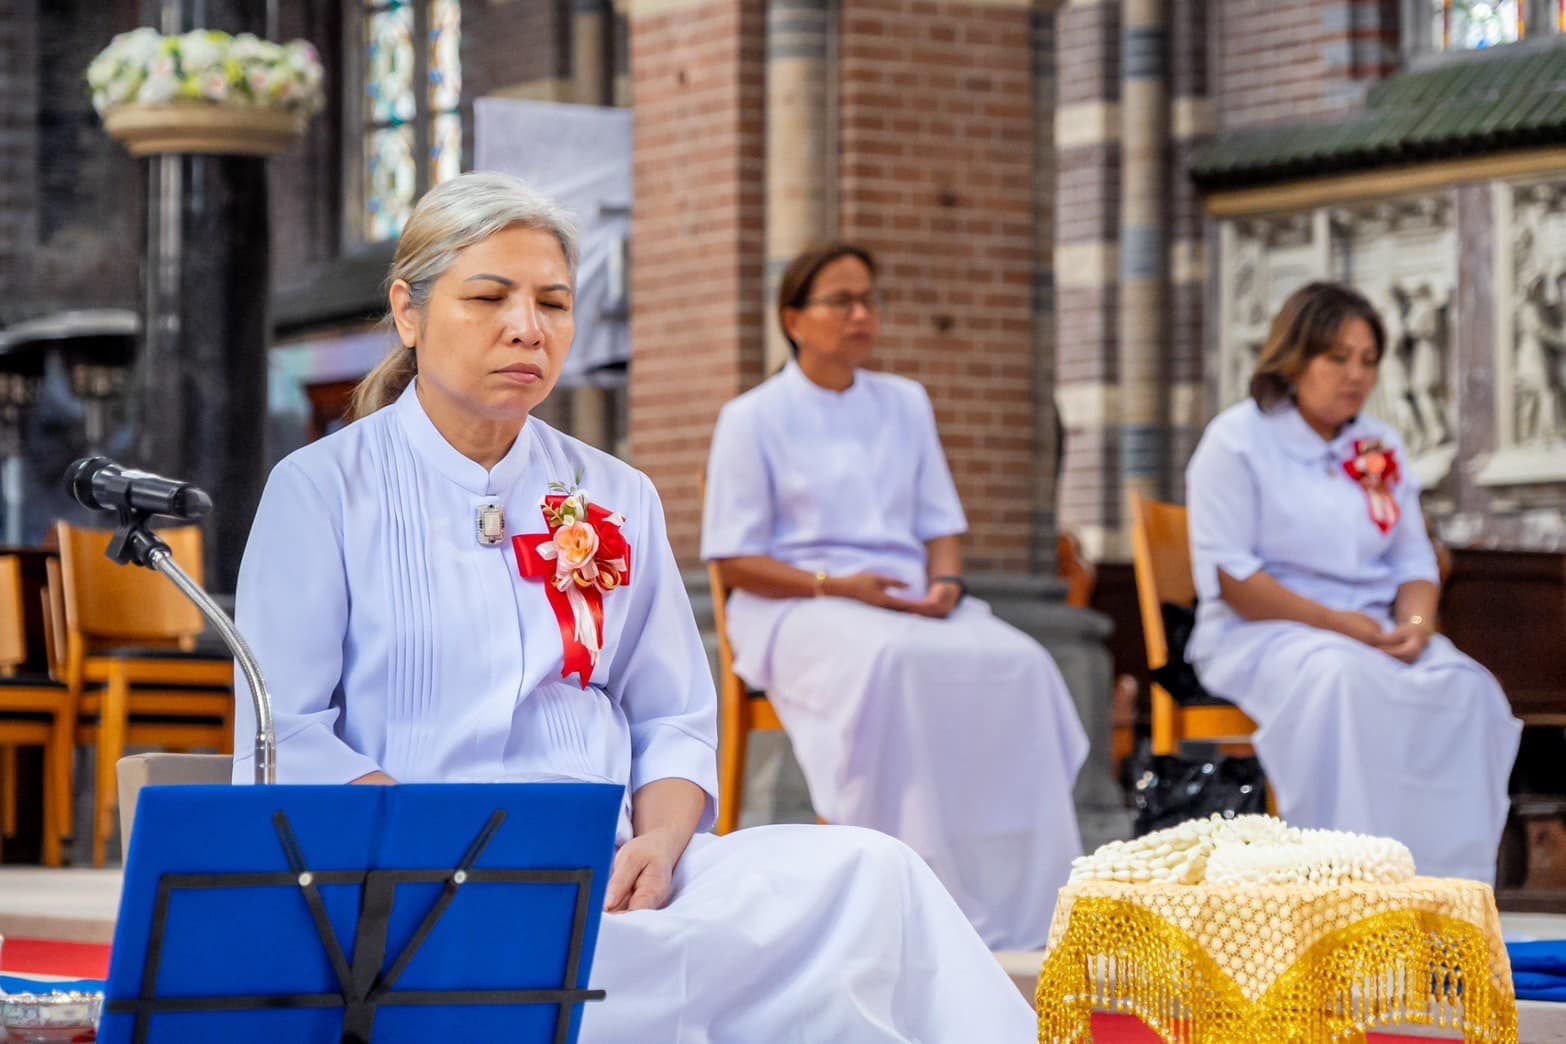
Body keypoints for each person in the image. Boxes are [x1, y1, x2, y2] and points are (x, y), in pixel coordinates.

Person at [230, 173, 1035, 1042]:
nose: (527, 328)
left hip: (617, 871)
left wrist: (659, 847)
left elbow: (675, 714)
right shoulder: (321, 491)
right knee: (556, 975)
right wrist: (446, 845)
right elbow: (289, 735)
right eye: (490, 297)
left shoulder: (615, 492)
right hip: (419, 879)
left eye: (554, 302)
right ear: (408, 310)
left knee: (876, 876)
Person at [700, 243, 1088, 950]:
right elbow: (735, 558)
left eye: (870, 300)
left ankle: (1032, 907)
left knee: (1020, 662)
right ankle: (902, 898)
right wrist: (838, 586)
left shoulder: (905, 403)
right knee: (896, 666)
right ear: (793, 318)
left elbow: (940, 526)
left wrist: (946, 584)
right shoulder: (753, 417)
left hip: (904, 599)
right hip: (800, 604)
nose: (861, 315)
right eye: (842, 301)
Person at [1186, 281, 1521, 883]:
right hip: (1267, 631)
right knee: (1342, 680)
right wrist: (1343, 625)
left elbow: (1414, 561)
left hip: (1374, 631)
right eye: (1337, 357)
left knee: (1470, 690)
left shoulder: (1380, 445)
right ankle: (1345, 886)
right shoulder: (1235, 441)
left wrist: (1415, 627)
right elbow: (1237, 579)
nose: (1356, 375)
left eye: (1368, 360)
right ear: (1294, 358)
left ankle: (1446, 890)